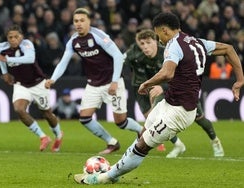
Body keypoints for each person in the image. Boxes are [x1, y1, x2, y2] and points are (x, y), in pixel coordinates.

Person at [74, 12, 244, 184]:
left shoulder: (173, 45)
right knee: (142, 135)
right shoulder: (196, 42)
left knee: (142, 146)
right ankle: (113, 175)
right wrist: (240, 80)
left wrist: (146, 84)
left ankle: (100, 179)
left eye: (157, 34)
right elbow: (228, 49)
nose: (158, 39)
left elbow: (167, 73)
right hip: (169, 103)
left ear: (164, 30)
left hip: (180, 112)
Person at [45, 8, 143, 154]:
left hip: (112, 82)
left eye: (82, 20)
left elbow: (117, 56)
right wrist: (52, 79)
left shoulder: (99, 36)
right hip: (93, 84)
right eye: (76, 21)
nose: (79, 24)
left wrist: (115, 81)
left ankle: (142, 130)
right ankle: (112, 142)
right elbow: (63, 62)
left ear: (89, 21)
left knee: (121, 122)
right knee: (84, 118)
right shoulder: (73, 41)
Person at [127, 28, 225, 158]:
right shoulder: (138, 57)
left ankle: (215, 141)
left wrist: (162, 86)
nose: (145, 47)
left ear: (156, 41)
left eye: (148, 42)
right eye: (142, 44)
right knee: (156, 116)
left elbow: (179, 76)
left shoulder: (169, 52)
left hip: (184, 90)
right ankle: (178, 145)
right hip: (163, 92)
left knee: (200, 119)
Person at [0, 25, 63, 152]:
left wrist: (7, 59)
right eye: (10, 37)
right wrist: (5, 73)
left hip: (38, 83)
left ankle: (58, 135)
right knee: (19, 109)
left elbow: (30, 59)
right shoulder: (0, 47)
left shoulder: (27, 44)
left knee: (47, 113)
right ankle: (43, 137)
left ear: (22, 37)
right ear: (7, 38)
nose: (13, 39)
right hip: (21, 84)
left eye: (16, 37)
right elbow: (0, 58)